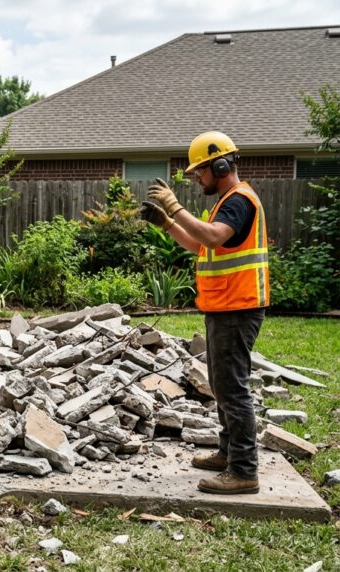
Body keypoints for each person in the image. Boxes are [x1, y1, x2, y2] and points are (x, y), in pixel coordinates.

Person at [139, 131, 269, 495]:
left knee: (232, 389)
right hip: (225, 307)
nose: (197, 177)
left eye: (200, 171)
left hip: (238, 307)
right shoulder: (227, 201)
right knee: (222, 385)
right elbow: (200, 245)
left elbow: (212, 237)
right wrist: (167, 224)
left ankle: (243, 471)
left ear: (221, 165)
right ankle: (229, 455)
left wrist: (175, 207)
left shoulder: (239, 202)